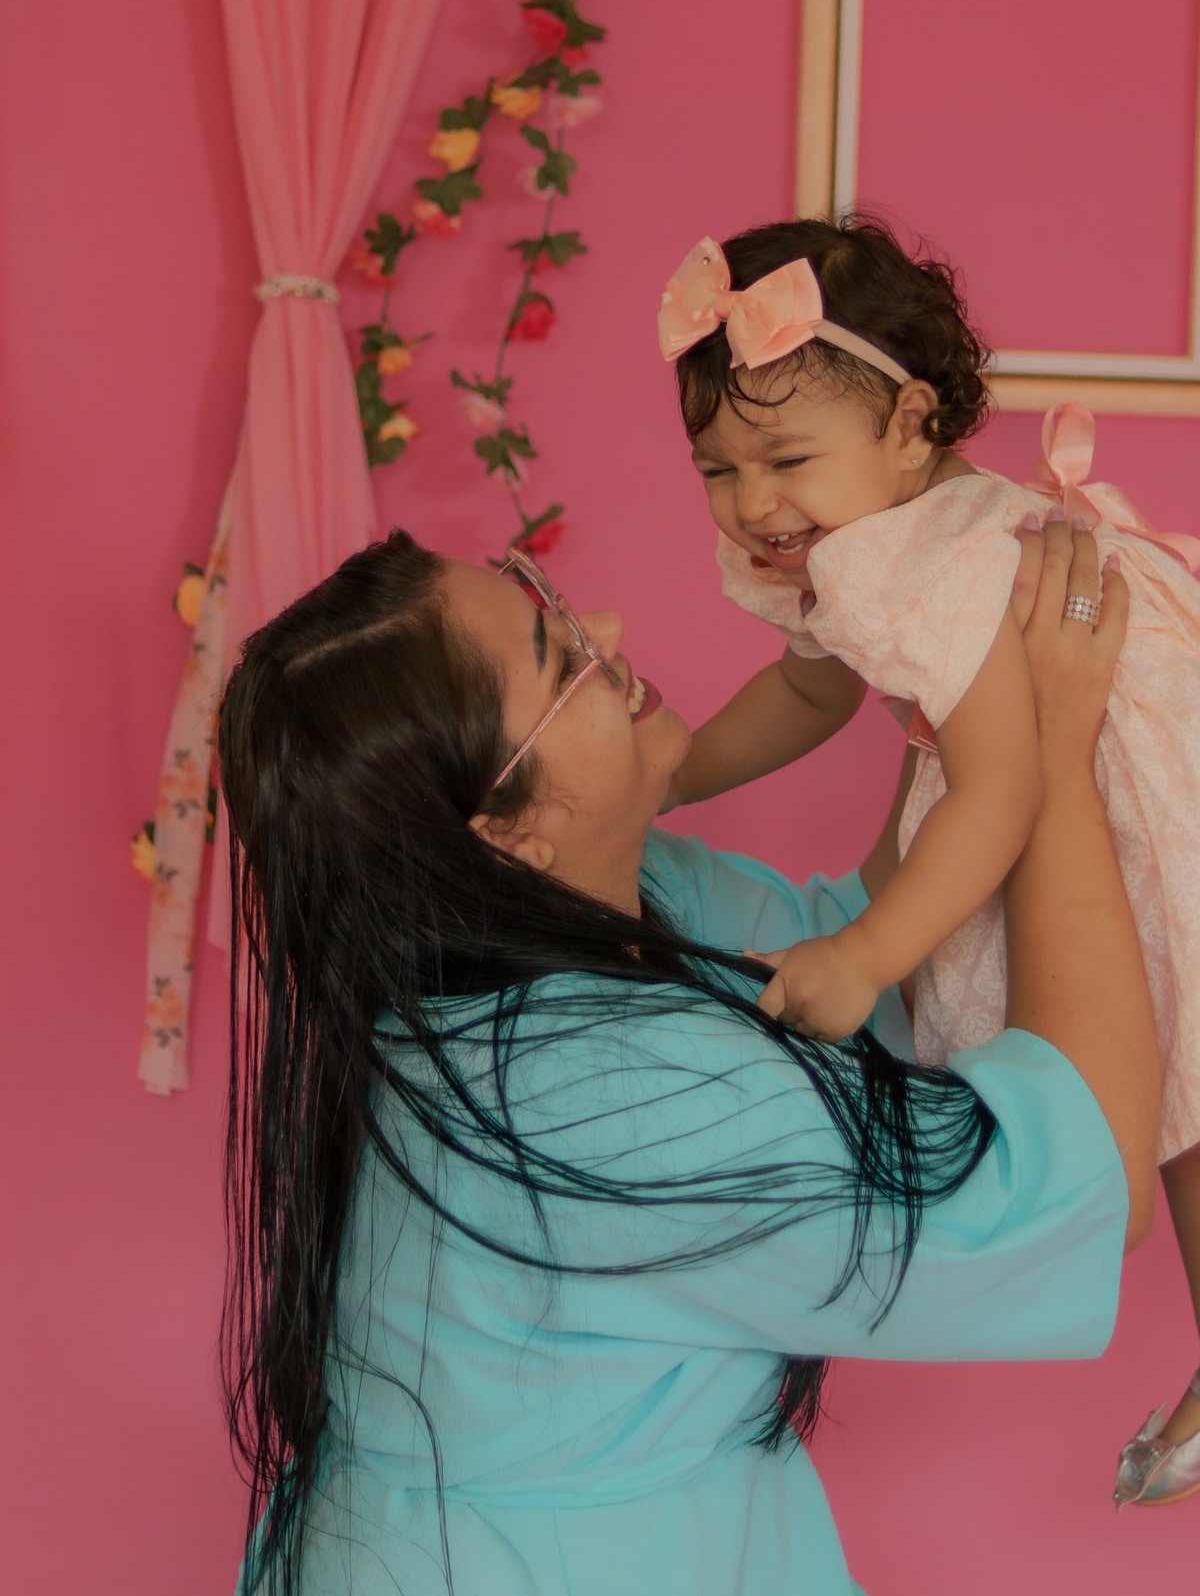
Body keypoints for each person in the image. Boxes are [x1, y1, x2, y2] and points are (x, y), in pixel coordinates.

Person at [219, 516, 1156, 1596]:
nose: (607, 629)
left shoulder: (547, 921)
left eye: (546, 599)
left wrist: (960, 688)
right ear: (504, 835)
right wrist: (1058, 755)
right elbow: (1086, 1174)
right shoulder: (622, 1100)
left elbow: (863, 951)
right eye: (559, 659)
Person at [659, 213, 1200, 1503]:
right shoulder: (879, 532)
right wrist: (668, 774)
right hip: (1110, 729)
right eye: (718, 468)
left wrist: (866, 954)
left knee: (1178, 1049)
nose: (754, 503)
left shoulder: (909, 556)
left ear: (909, 423)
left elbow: (1005, 786)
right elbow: (809, 692)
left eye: (787, 458)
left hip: (1130, 753)